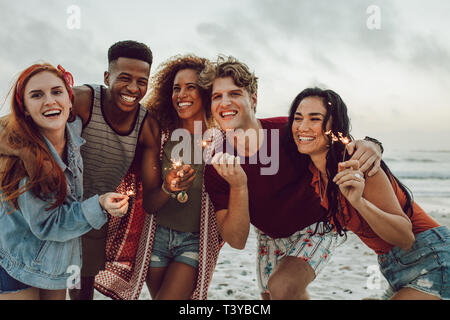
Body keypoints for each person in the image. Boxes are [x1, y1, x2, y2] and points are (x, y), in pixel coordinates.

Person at [200, 56, 383, 300]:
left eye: (234, 93)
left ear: (253, 100)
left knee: (283, 287)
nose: (225, 102)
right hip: (269, 236)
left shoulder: (289, 131)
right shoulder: (215, 163)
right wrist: (239, 186)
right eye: (216, 96)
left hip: (317, 225)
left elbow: (339, 141)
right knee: (274, 295)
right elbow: (237, 240)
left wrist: (373, 144)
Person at [285, 87, 449, 300]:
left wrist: (359, 202)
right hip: (394, 269)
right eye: (298, 118)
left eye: (314, 119)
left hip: (432, 258)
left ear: (333, 125)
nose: (303, 127)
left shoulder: (358, 164)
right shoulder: (315, 174)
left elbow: (405, 237)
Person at [0, 63, 129, 300]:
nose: (49, 101)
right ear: (25, 109)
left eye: (56, 92)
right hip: (16, 261)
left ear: (70, 101)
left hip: (56, 263)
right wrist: (99, 204)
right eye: (36, 95)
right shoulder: (23, 161)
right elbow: (48, 224)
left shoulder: (73, 127)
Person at [68, 40, 154, 300]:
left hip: (95, 216)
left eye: (142, 81)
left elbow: (151, 195)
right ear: (107, 76)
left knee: (81, 293)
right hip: (56, 209)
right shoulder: (82, 99)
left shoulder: (146, 125)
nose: (133, 88)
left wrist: (174, 185)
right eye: (125, 78)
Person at [141, 54, 222, 299]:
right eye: (176, 88)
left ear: (206, 92)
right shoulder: (161, 134)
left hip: (195, 241)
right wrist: (167, 188)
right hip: (156, 239)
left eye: (191, 88)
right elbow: (149, 204)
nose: (181, 95)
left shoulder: (220, 141)